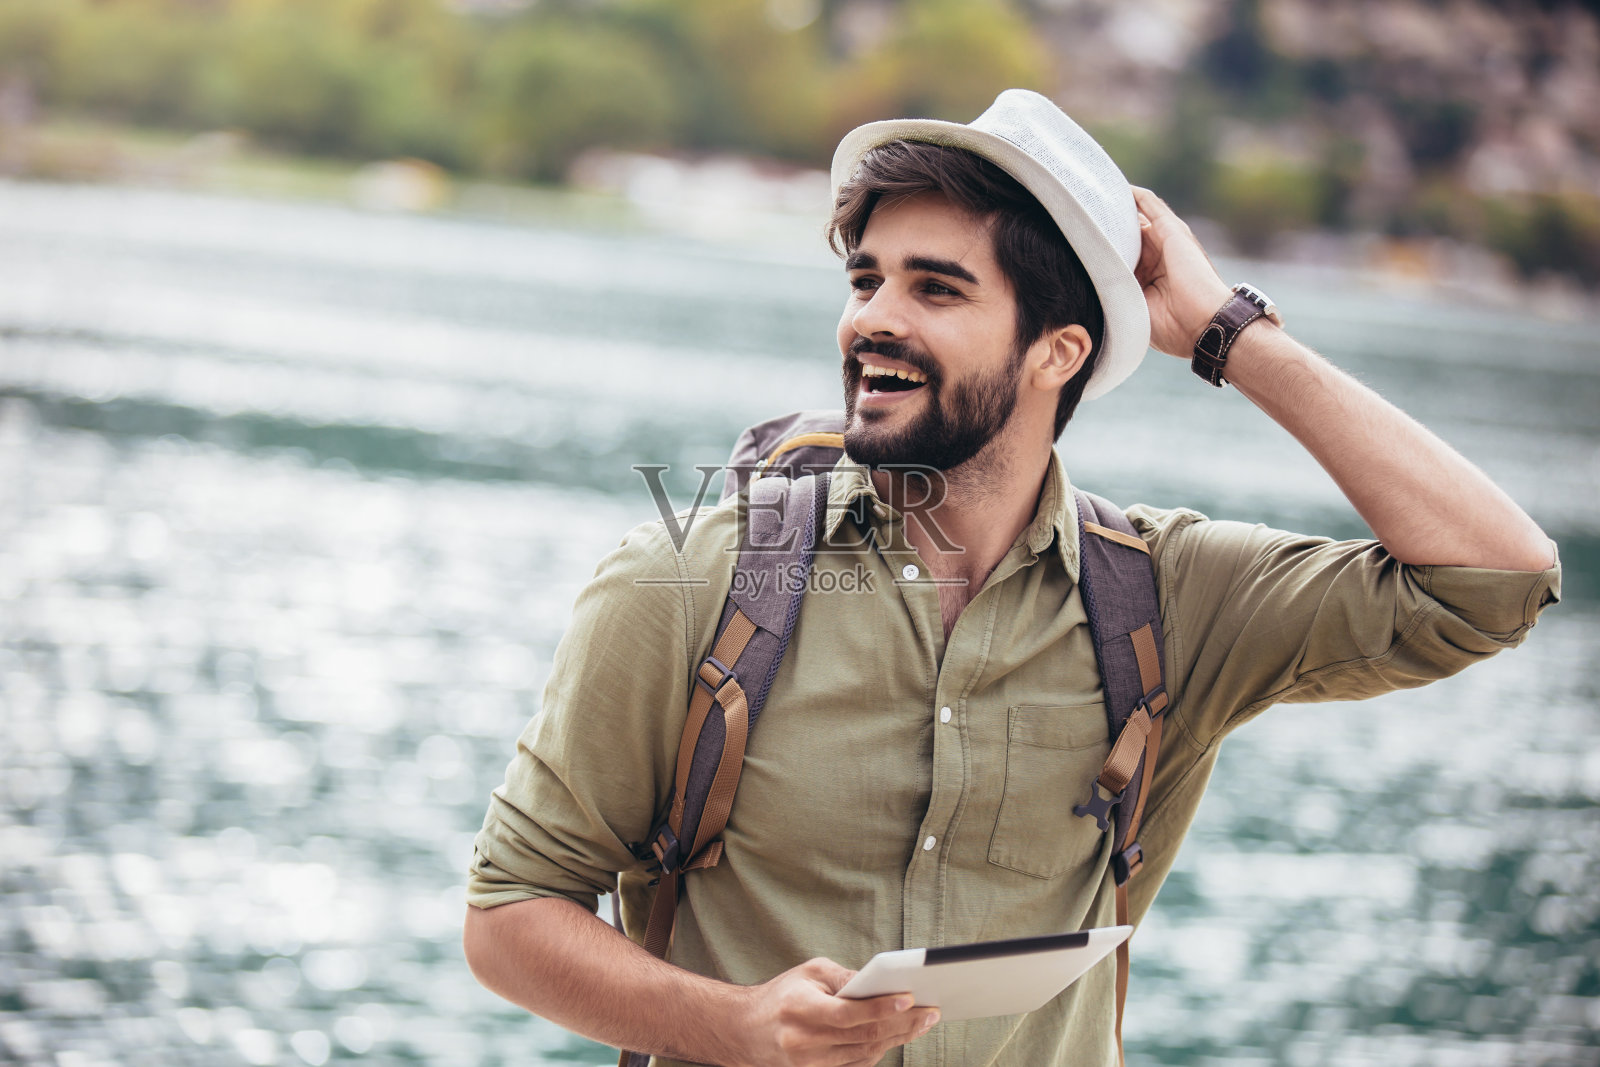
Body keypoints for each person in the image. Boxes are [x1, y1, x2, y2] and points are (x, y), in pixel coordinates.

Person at [461, 90, 1560, 1067]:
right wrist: (735, 1024)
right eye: (865, 278)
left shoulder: (1168, 598)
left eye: (936, 288)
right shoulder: (688, 576)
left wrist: (1230, 332)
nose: (872, 318)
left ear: (1058, 351)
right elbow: (510, 910)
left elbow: (1495, 577)